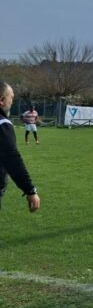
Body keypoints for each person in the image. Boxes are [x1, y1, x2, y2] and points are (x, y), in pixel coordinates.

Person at [0, 81, 41, 212]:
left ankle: (35, 140)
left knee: (34, 133)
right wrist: (30, 190)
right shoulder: (2, 124)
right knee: (29, 133)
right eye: (11, 97)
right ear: (2, 100)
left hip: (32, 124)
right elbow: (12, 158)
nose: (12, 101)